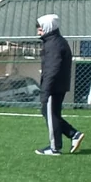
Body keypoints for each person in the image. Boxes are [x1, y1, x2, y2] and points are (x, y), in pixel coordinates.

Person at [36, 13, 84, 156]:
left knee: (50, 114)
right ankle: (73, 134)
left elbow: (52, 69)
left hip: (54, 87)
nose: (38, 31)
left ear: (48, 27)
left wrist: (45, 90)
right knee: (50, 113)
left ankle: (55, 147)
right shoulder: (55, 41)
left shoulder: (53, 44)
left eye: (40, 28)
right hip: (57, 85)